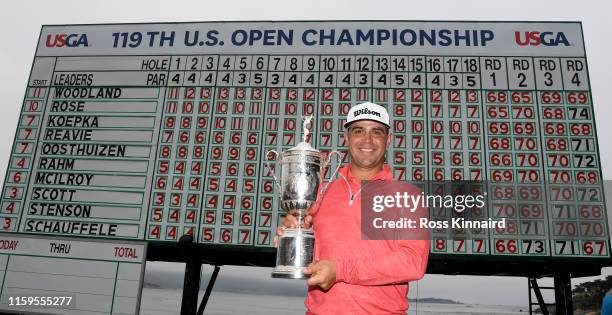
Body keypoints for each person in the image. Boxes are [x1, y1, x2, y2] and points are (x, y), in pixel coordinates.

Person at [276, 102, 430, 314]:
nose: (367, 140)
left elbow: (412, 262)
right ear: (346, 138)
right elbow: (316, 257)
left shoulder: (409, 196)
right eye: (358, 131)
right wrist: (292, 236)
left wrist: (341, 270)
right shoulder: (320, 189)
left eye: (376, 132)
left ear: (389, 139)